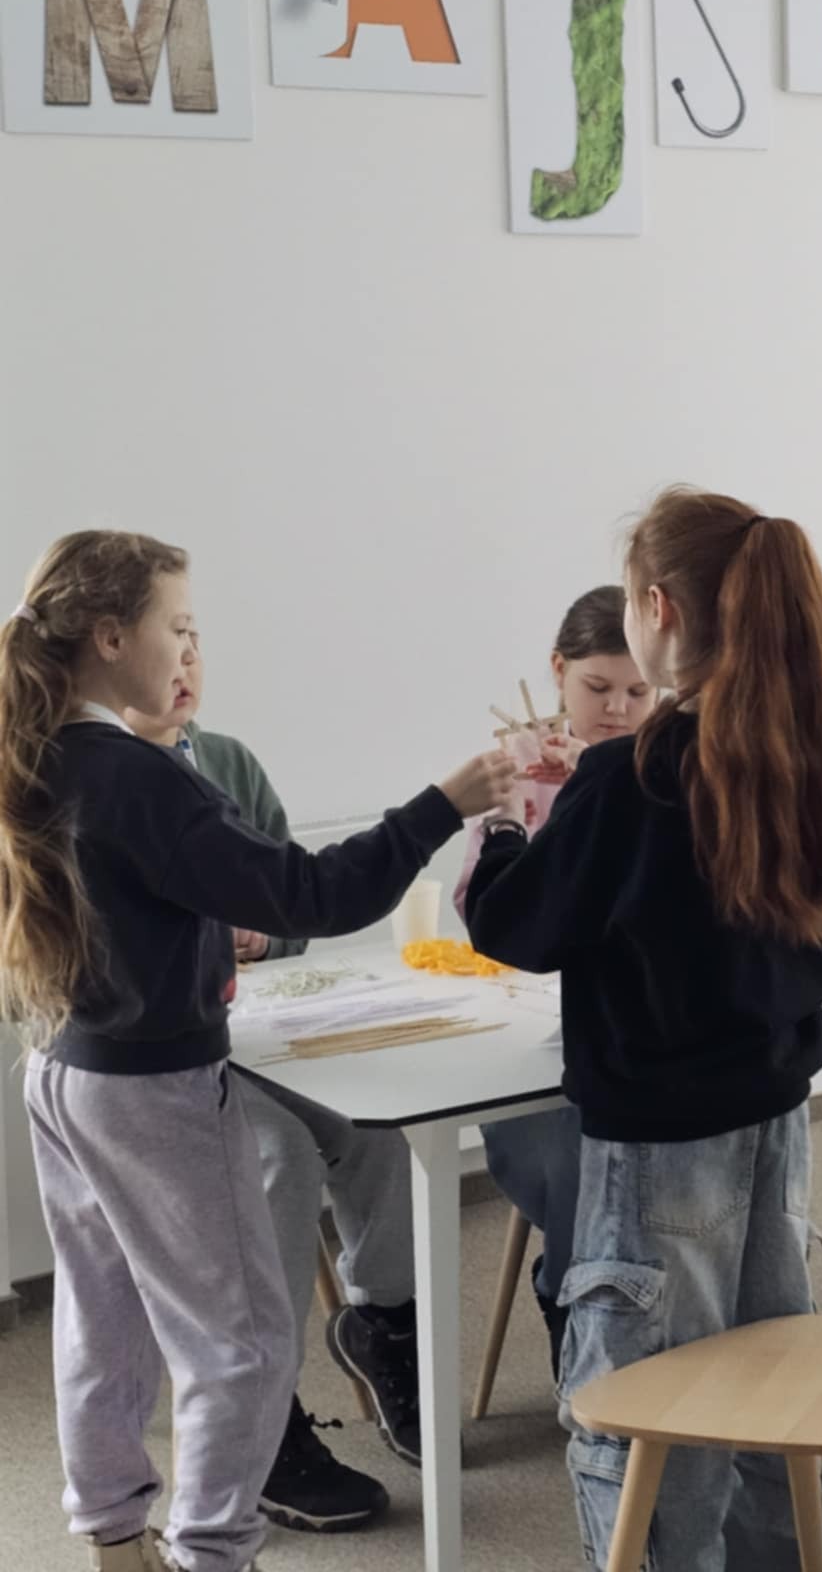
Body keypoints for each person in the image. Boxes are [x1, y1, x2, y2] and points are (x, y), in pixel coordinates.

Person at [0, 530, 520, 1572]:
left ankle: (116, 1540)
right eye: (178, 624)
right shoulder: (140, 777)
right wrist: (444, 805)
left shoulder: (38, 751)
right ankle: (211, 1555)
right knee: (238, 1346)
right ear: (111, 637)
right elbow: (310, 894)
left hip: (63, 1074)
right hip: (154, 1088)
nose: (190, 647)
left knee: (103, 1321)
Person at [465, 491, 822, 1571]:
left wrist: (505, 822)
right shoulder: (795, 748)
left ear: (655, 609)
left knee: (647, 1414)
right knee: (765, 1383)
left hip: (657, 1148)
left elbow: (514, 925)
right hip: (775, 1122)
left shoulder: (633, 775)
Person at [125, 634, 420, 1533]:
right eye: (168, 645)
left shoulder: (227, 762)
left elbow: (294, 905)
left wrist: (265, 933)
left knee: (375, 1123)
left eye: (195, 646)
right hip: (167, 1053)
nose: (185, 666)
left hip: (254, 1028)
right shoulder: (103, 779)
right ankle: (267, 1413)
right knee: (283, 1156)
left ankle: (383, 1325)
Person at [452, 585, 657, 1373]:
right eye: (597, 688)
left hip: (629, 1025)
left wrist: (602, 783)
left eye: (638, 692)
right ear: (558, 671)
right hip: (527, 1034)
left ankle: (610, 1311)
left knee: (641, 1138)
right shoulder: (521, 768)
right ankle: (576, 1305)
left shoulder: (664, 766)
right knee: (576, 1152)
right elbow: (480, 909)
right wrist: (520, 811)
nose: (617, 709)